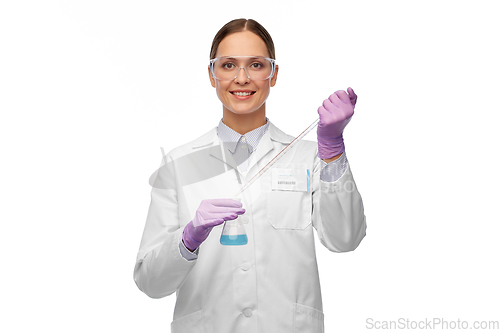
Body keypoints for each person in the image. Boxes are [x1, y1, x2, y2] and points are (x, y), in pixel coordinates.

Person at [133, 18, 366, 333]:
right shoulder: (178, 164)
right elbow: (150, 282)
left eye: (255, 64)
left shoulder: (308, 156)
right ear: (212, 74)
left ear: (273, 74)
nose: (241, 78)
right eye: (228, 65)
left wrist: (333, 150)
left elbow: (345, 239)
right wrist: (187, 239)